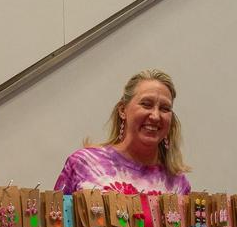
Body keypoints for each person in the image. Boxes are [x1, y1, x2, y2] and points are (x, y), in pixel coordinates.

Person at [54, 69, 191, 196]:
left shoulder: (178, 183)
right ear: (122, 110)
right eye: (146, 104)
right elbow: (54, 212)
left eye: (165, 108)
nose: (155, 116)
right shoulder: (84, 163)